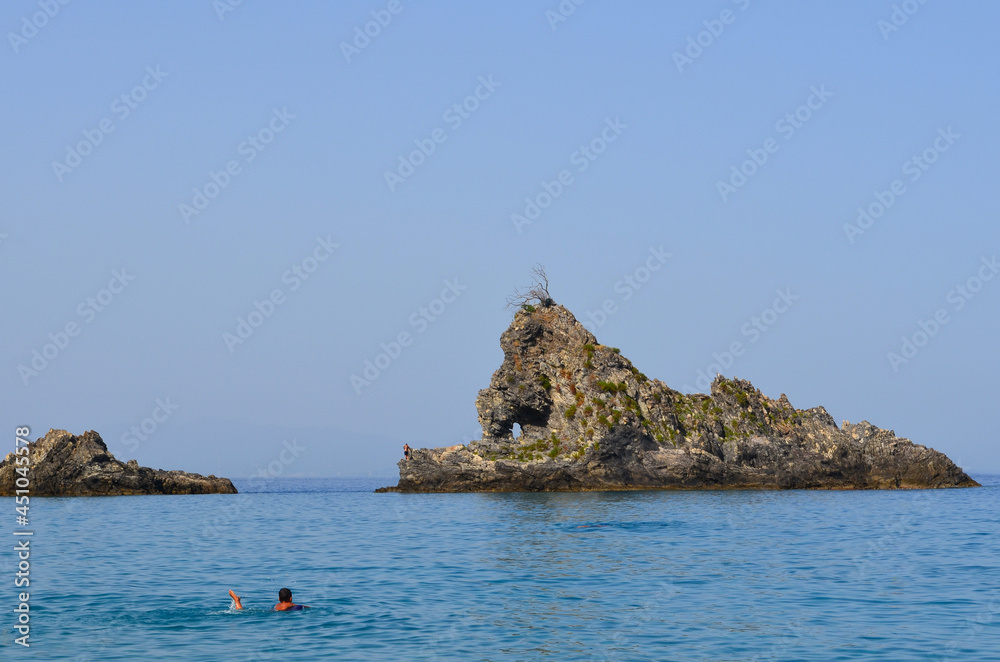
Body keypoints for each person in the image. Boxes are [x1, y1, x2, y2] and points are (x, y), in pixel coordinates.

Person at [228, 588, 309, 611]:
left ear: (279, 599)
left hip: (273, 611)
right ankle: (237, 601)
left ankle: (237, 601)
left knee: (242, 612)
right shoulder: (293, 605)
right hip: (283, 611)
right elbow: (303, 607)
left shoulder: (277, 605)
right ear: (290, 598)